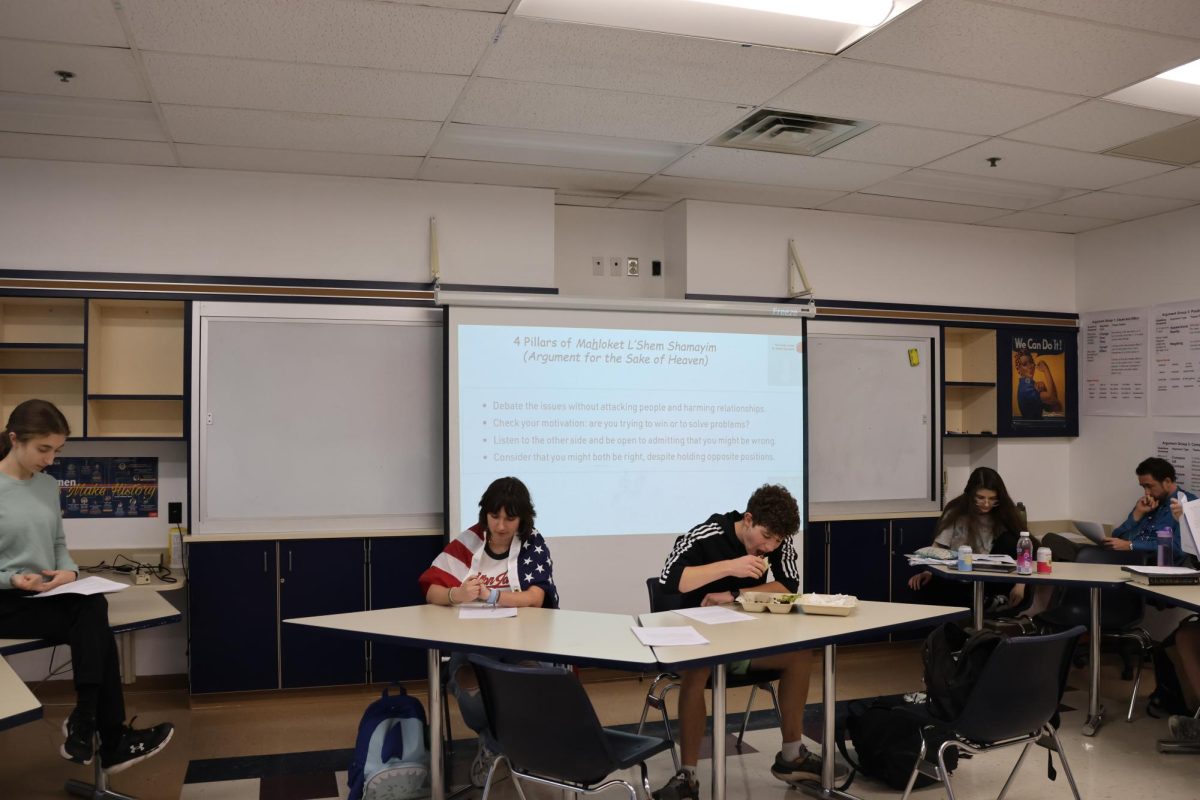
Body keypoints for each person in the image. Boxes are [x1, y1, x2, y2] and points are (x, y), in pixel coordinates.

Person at [0, 399, 174, 773]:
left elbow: (59, 545)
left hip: (41, 594)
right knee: (98, 632)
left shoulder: (46, 486)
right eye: (43, 449)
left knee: (93, 608)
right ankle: (110, 739)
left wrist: (69, 573)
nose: (50, 459)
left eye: (57, 450)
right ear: (15, 439)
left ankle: (84, 719)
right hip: (4, 601)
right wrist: (11, 578)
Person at [652, 484, 836, 800]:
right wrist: (730, 567)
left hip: (746, 641)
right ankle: (688, 776)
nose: (769, 546)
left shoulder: (779, 541)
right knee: (697, 669)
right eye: (765, 537)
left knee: (799, 654)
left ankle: (791, 756)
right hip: (699, 641)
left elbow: (789, 586)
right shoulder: (708, 532)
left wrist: (736, 594)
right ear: (748, 519)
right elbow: (669, 578)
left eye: (776, 541)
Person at [417, 476, 558, 787]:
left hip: (524, 643)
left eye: (510, 518)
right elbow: (431, 591)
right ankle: (497, 744)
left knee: (532, 682)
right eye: (495, 517)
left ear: (522, 519)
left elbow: (535, 597)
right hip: (473, 646)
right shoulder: (469, 543)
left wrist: (491, 596)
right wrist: (457, 595)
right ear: (486, 515)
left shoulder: (532, 543)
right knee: (469, 688)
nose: (501, 526)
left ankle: (499, 746)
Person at [907, 467, 1028, 611]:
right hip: (958, 576)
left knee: (1010, 540)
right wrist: (928, 572)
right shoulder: (956, 511)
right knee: (921, 589)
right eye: (981, 498)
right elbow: (939, 546)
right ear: (970, 495)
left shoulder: (1004, 513)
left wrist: (1021, 584)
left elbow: (1025, 552)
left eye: (992, 499)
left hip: (989, 576)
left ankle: (989, 601)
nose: (987, 504)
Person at [1104, 457, 1197, 566]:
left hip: (1163, 569)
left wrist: (1131, 545)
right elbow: (1117, 538)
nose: (1146, 492)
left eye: (1149, 486)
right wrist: (1136, 515)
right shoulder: (1146, 504)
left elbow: (1179, 549)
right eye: (1143, 487)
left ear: (1167, 481)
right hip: (1128, 564)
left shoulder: (1187, 504)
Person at [1014, 348, 1062, 419]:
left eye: (1031, 362)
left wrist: (1043, 387)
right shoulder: (1026, 388)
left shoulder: (1029, 384)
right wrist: (1046, 369)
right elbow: (1053, 399)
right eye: (1024, 364)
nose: (1030, 366)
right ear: (1019, 369)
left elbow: (1051, 408)